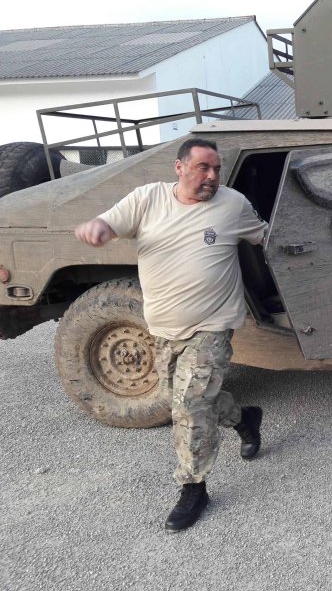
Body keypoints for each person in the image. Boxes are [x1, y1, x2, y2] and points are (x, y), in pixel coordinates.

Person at [74, 138, 269, 532]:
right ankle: (245, 418)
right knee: (185, 397)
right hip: (163, 326)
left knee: (190, 404)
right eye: (203, 168)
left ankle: (193, 487)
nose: (212, 176)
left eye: (216, 169)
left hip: (212, 324)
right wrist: (98, 227)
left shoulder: (233, 204)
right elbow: (110, 223)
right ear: (179, 168)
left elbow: (267, 236)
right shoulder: (148, 199)